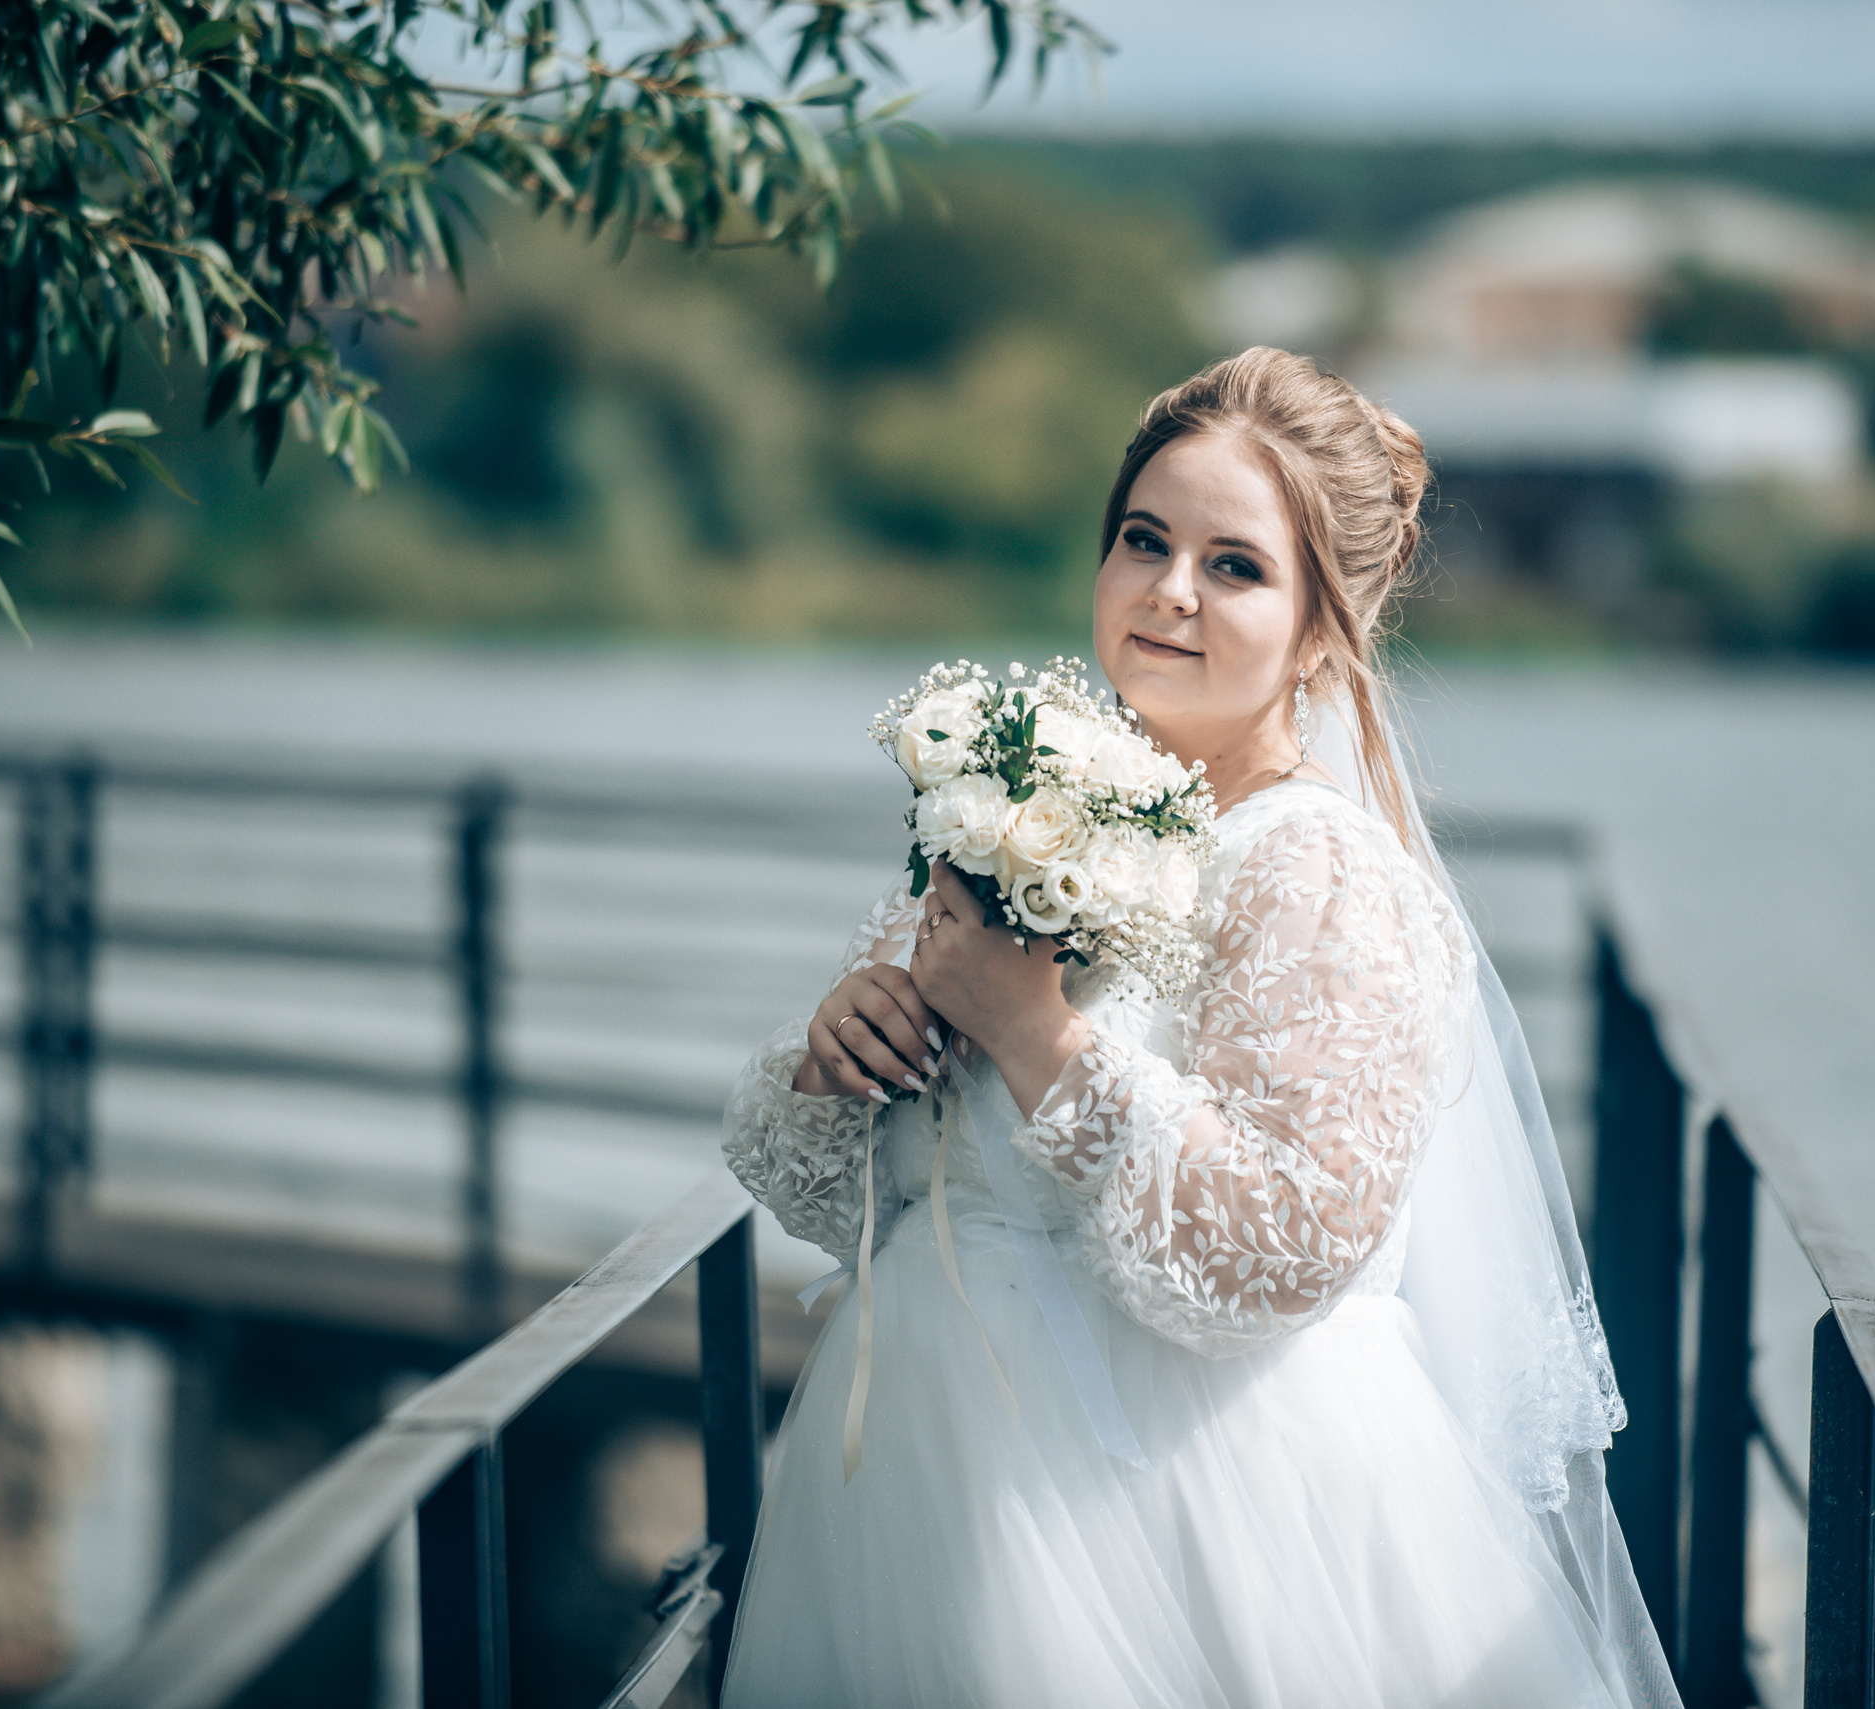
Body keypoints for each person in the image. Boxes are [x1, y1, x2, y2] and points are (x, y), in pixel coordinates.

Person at [719, 348, 1680, 1708]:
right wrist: (846, 1051)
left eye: (1235, 567)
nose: (1170, 591)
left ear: (1321, 625)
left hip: (1186, 1521)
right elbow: (824, 1181)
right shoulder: (1017, 807)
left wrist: (1039, 1037)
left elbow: (1285, 1246)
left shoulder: (1317, 873)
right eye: (1143, 540)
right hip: (926, 1490)